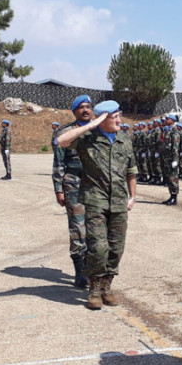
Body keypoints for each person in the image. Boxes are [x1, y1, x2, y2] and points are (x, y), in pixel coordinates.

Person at [56, 101, 137, 309]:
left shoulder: (124, 139)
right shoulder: (87, 138)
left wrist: (133, 196)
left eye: (119, 115)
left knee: (116, 248)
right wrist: (91, 125)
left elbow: (131, 171)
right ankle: (94, 289)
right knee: (98, 247)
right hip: (95, 200)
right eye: (114, 117)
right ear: (103, 120)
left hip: (119, 201)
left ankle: (106, 287)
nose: (119, 120)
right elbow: (61, 141)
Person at [52, 95, 93, 288]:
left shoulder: (99, 129)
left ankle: (92, 266)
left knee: (96, 226)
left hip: (96, 184)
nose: (85, 110)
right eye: (81, 107)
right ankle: (80, 270)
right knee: (78, 227)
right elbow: (59, 163)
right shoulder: (65, 132)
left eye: (88, 107)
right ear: (74, 111)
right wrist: (58, 189)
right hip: (73, 183)